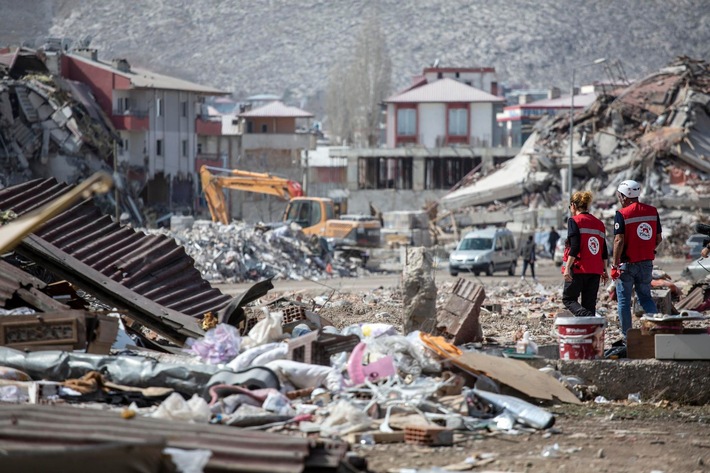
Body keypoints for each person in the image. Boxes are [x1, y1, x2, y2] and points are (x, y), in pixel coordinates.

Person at [611, 179, 662, 339]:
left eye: (620, 195)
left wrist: (614, 264)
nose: (619, 198)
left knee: (624, 301)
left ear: (625, 196)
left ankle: (628, 338)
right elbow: (659, 238)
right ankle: (658, 331)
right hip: (646, 263)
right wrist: (647, 248)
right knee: (646, 298)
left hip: (627, 265)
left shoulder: (622, 214)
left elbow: (619, 240)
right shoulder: (652, 211)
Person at [563, 191, 609, 317]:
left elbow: (575, 246)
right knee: (589, 304)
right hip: (595, 271)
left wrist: (567, 268)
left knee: (568, 299)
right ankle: (590, 333)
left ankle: (585, 316)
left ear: (573, 205)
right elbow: (603, 249)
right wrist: (605, 270)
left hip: (578, 269)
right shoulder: (599, 224)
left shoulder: (574, 221)